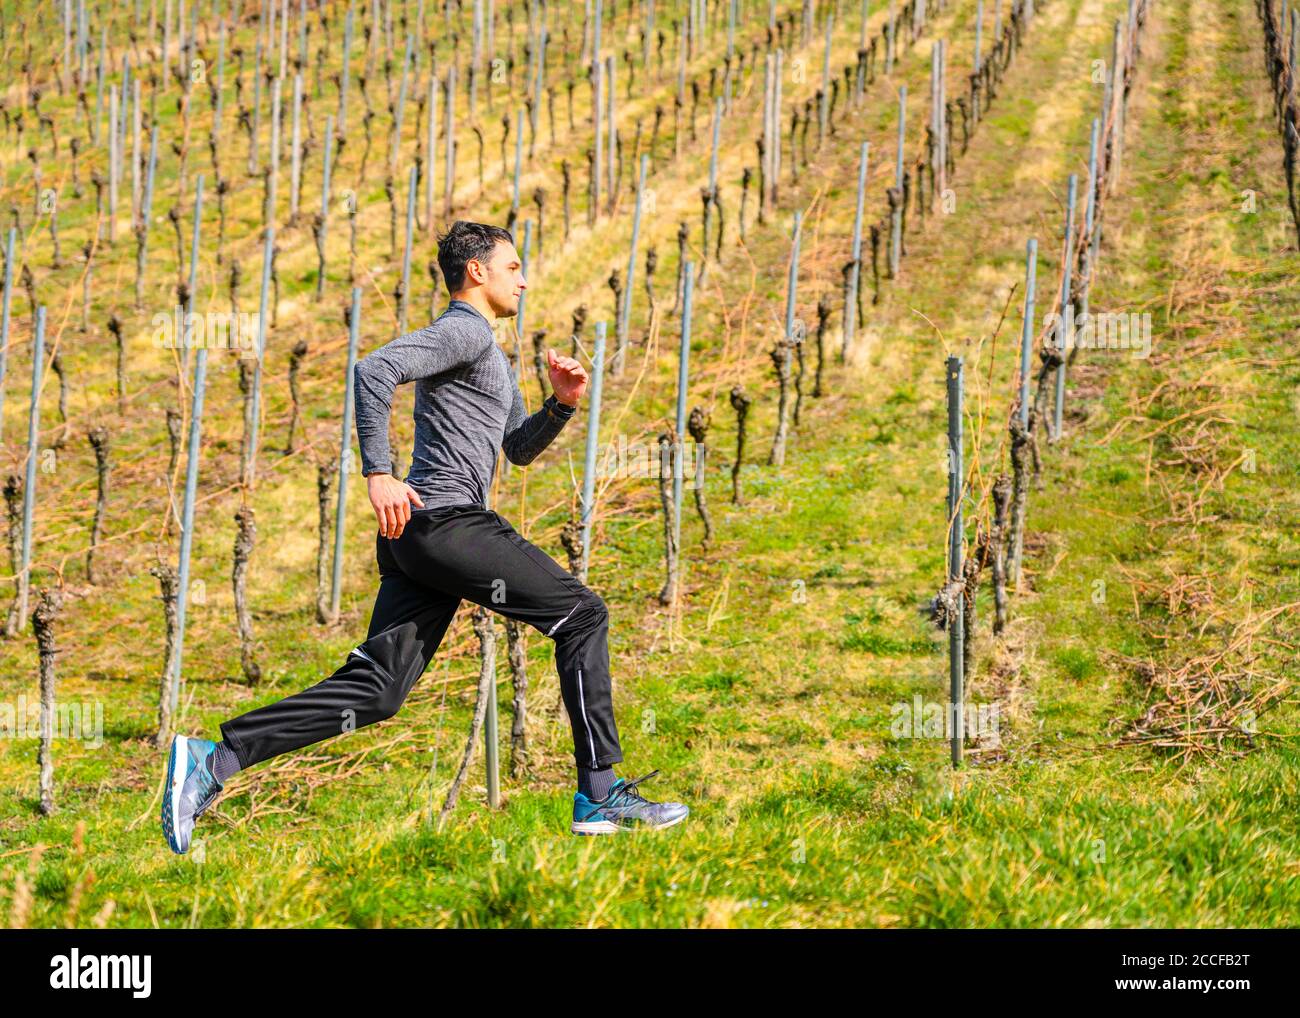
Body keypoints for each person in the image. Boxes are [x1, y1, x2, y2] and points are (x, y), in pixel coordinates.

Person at [161, 221, 689, 853]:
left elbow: (516, 450)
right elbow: (374, 371)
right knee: (582, 615)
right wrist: (379, 472)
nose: (524, 278)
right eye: (513, 266)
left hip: (419, 536)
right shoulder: (463, 330)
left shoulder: (486, 350)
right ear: (477, 272)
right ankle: (600, 792)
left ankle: (214, 761)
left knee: (380, 690)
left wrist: (561, 404)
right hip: (444, 520)